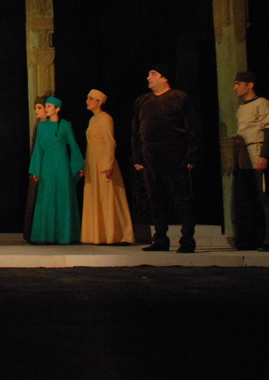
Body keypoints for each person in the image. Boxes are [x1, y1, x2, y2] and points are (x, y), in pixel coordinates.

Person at [132, 64, 200, 253]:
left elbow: (193, 128)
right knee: (155, 200)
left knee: (182, 200)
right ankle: (160, 239)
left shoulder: (180, 98)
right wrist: (137, 156)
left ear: (164, 78)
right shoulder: (142, 100)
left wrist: (191, 155)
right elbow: (136, 130)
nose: (148, 77)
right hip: (150, 157)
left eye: (153, 74)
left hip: (175, 155)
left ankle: (187, 240)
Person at [232, 72, 269, 251]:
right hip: (245, 157)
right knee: (249, 199)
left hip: (258, 154)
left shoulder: (263, 104)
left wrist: (264, 156)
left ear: (250, 85)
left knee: (265, 197)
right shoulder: (242, 107)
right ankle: (251, 238)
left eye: (239, 83)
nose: (235, 88)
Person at [80, 89, 135, 244]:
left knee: (108, 197)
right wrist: (86, 165)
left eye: (90, 98)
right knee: (96, 197)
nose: (87, 101)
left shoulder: (105, 118)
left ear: (99, 102)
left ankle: (116, 234)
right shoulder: (92, 120)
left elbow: (110, 142)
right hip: (93, 162)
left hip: (103, 162)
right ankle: (98, 234)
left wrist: (107, 164)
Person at [27, 96, 84, 244]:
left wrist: (79, 165)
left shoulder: (65, 125)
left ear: (57, 109)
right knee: (46, 197)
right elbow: (38, 149)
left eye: (49, 106)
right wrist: (35, 170)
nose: (46, 108)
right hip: (47, 165)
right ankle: (45, 235)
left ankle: (64, 235)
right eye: (45, 106)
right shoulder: (42, 127)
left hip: (62, 164)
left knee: (63, 197)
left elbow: (73, 145)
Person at [22, 95, 50, 242]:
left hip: (47, 166)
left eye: (39, 107)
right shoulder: (39, 126)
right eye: (35, 108)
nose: (36, 111)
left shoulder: (51, 126)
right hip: (37, 165)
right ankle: (33, 233)